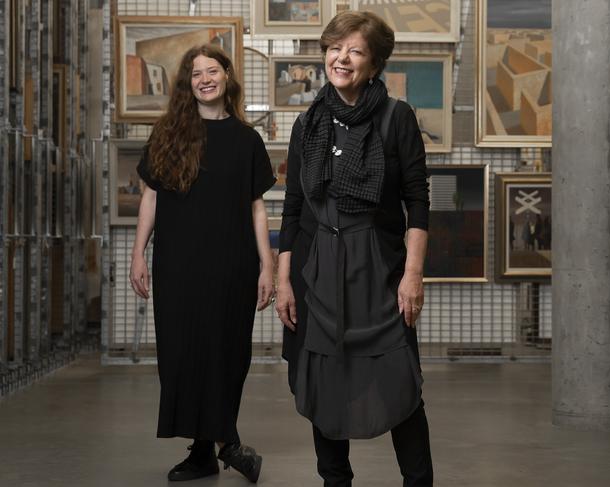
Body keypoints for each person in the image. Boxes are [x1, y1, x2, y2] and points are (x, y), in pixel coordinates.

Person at [275, 11, 434, 486]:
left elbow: (418, 202)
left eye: (355, 50)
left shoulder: (396, 117)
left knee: (399, 382)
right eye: (334, 48)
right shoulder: (307, 123)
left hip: (379, 270)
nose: (340, 58)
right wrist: (285, 281)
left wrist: (413, 273)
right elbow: (293, 206)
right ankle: (335, 481)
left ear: (375, 63)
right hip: (317, 268)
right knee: (323, 383)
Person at [129, 44, 276, 483]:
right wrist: (139, 253)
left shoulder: (247, 139)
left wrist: (267, 265)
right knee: (182, 352)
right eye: (196, 74)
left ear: (227, 77)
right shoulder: (168, 133)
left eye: (212, 71)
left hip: (233, 264)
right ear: (186, 83)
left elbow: (256, 207)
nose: (205, 79)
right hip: (177, 264)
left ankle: (209, 449)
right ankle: (220, 445)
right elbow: (151, 197)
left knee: (226, 352)